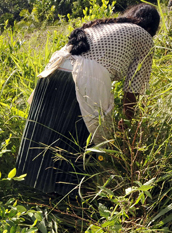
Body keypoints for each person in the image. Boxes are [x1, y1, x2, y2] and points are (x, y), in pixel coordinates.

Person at [15, 3, 160, 196]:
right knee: (75, 144)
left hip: (53, 70)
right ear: (151, 28)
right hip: (85, 78)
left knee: (43, 135)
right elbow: (132, 90)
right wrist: (127, 125)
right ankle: (66, 200)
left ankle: (25, 191)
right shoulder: (144, 36)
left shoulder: (106, 25)